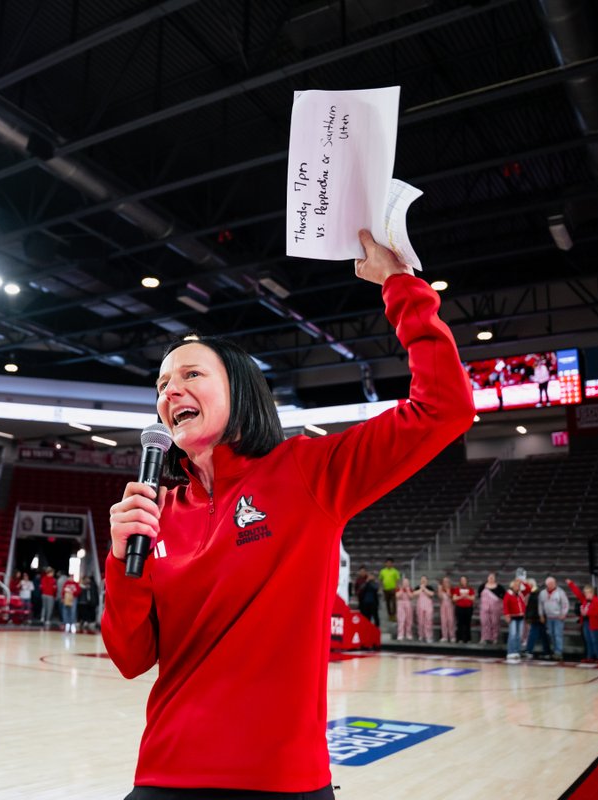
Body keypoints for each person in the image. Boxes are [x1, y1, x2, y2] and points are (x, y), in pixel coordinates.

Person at [102, 229, 472, 797]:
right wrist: (118, 560)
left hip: (281, 782)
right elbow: (131, 659)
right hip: (166, 774)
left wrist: (401, 286)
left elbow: (444, 407)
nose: (170, 390)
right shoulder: (156, 513)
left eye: (191, 374)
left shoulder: (308, 472)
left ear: (242, 388)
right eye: (161, 384)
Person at [566, 578, 598, 663]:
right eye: (585, 592)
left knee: (595, 640)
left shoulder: (596, 601)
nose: (585, 594)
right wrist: (571, 584)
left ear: (591, 593)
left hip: (594, 623)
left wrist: (587, 613)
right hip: (586, 622)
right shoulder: (584, 600)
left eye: (587, 592)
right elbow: (577, 593)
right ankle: (589, 656)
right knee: (588, 640)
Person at [538, 576, 569, 662]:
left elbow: (565, 603)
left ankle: (558, 652)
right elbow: (540, 605)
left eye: (552, 583)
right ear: (546, 584)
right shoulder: (543, 593)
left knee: (557, 634)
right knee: (551, 634)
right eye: (549, 584)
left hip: (558, 617)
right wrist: (541, 615)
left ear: (555, 583)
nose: (551, 585)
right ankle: (555, 650)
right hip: (549, 617)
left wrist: (564, 613)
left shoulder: (560, 592)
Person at [503, 578, 527, 662]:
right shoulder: (508, 594)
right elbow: (505, 605)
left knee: (519, 635)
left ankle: (517, 651)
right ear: (512, 586)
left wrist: (522, 581)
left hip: (520, 617)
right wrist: (507, 615)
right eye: (516, 585)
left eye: (518, 585)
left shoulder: (520, 594)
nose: (518, 587)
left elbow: (528, 588)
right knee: (512, 635)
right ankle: (511, 652)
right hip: (512, 617)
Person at [478, 572, 504, 645]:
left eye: (493, 577)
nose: (491, 579)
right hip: (484, 608)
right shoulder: (482, 586)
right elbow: (479, 595)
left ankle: (494, 638)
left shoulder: (499, 587)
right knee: (484, 622)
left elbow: (504, 596)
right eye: (490, 577)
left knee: (495, 623)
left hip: (495, 608)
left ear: (495, 579)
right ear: (487, 578)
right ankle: (484, 637)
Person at [453, 575, 476, 643]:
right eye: (462, 580)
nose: (463, 581)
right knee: (460, 623)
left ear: (467, 581)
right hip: (459, 608)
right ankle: (459, 638)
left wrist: (467, 596)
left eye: (464, 580)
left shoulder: (470, 589)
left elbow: (473, 598)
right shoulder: (457, 589)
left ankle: (467, 639)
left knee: (467, 624)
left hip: (468, 608)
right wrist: (461, 596)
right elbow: (454, 598)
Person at [415, 576, 435, 643]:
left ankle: (428, 636)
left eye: (424, 580)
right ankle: (421, 636)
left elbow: (431, 594)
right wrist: (421, 589)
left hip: (428, 606)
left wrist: (424, 589)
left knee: (428, 622)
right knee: (420, 621)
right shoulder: (418, 587)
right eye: (422, 580)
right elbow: (414, 594)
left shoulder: (430, 587)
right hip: (420, 606)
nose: (423, 581)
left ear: (427, 581)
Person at [437, 576, 456, 643]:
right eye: (444, 581)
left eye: (447, 581)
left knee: (450, 621)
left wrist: (449, 592)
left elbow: (454, 600)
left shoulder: (452, 589)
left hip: (450, 606)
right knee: (444, 621)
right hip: (443, 606)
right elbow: (440, 597)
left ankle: (452, 636)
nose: (446, 583)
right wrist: (440, 590)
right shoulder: (441, 589)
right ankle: (444, 636)